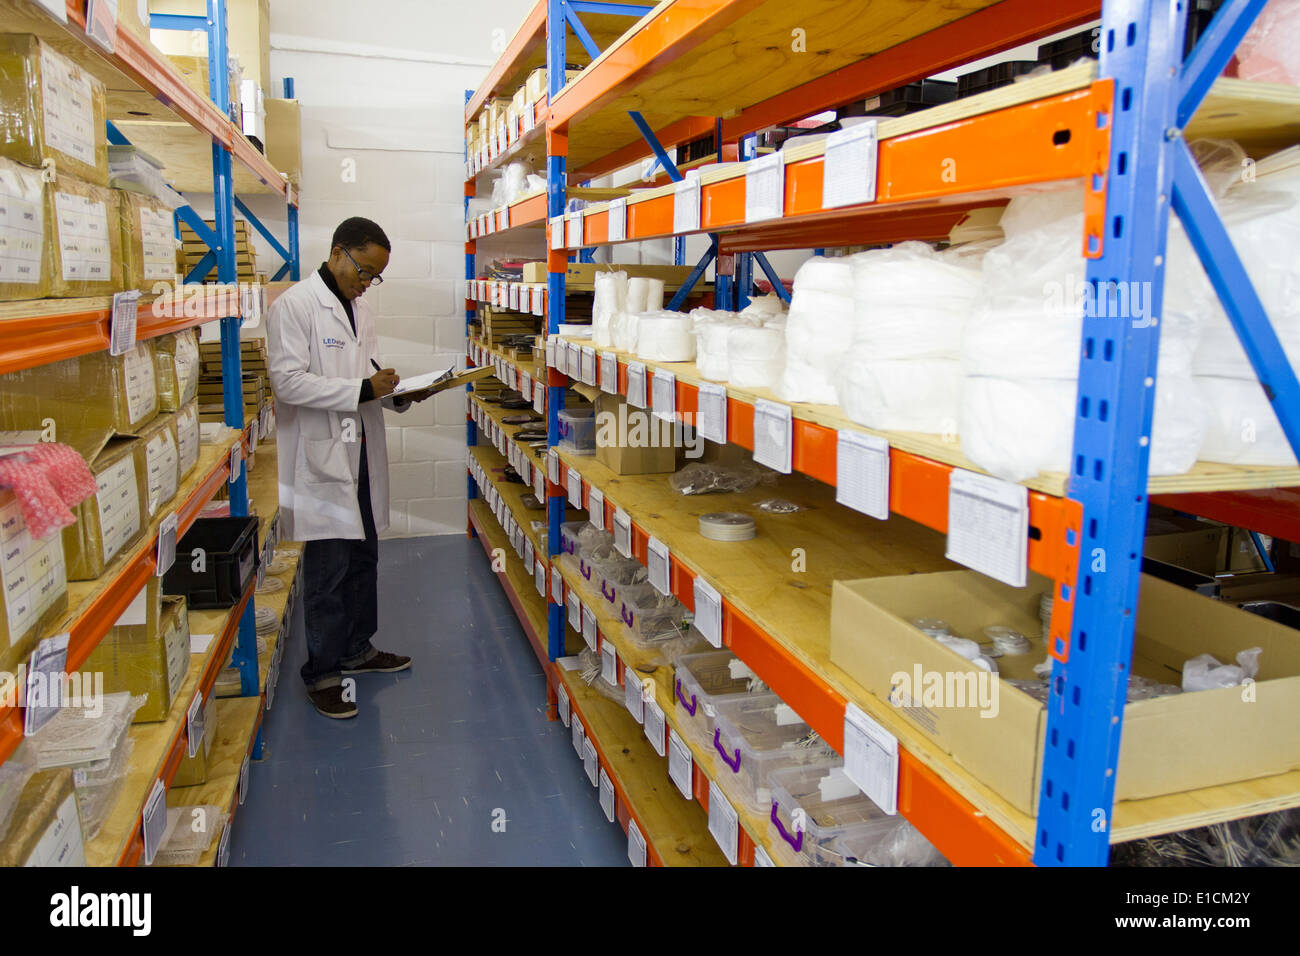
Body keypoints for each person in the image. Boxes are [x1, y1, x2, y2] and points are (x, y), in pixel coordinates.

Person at [266, 217, 436, 719]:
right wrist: (364, 389)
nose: (367, 283)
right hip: (321, 459)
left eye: (375, 276)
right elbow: (288, 384)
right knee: (329, 567)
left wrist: (398, 395)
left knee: (363, 557)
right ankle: (321, 671)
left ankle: (358, 649)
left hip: (358, 450)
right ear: (338, 252)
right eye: (364, 271)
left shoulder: (359, 309)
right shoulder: (294, 307)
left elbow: (361, 377)